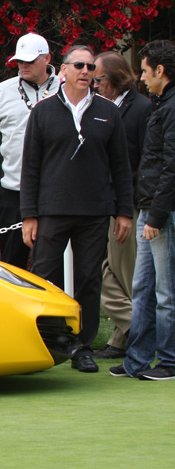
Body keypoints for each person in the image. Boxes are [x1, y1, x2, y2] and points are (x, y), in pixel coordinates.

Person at [21, 44, 134, 374]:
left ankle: (82, 347)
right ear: (64, 70)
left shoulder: (108, 112)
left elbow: (121, 167)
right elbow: (31, 167)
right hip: (51, 210)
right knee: (44, 277)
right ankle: (45, 341)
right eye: (80, 65)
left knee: (88, 280)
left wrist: (124, 211)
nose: (86, 71)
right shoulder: (43, 112)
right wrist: (29, 214)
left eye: (90, 67)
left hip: (94, 211)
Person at [112, 40, 175, 380]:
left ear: (160, 71)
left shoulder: (170, 107)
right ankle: (137, 359)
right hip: (149, 209)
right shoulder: (160, 104)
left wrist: (156, 216)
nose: (141, 77)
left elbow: (170, 167)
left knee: (165, 292)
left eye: (145, 70)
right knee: (143, 288)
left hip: (159, 213)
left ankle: (169, 360)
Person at [0, 33, 60, 269]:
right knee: (12, 264)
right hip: (13, 193)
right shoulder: (2, 92)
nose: (23, 65)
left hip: (56, 193)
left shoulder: (65, 89)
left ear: (47, 59)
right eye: (20, 61)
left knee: (56, 264)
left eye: (30, 61)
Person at [93, 51, 152, 360]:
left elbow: (146, 159)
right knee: (106, 270)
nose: (95, 84)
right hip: (106, 202)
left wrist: (129, 205)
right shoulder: (103, 107)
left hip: (128, 205)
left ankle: (131, 335)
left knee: (121, 273)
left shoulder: (141, 108)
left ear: (115, 76)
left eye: (99, 78)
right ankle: (132, 331)